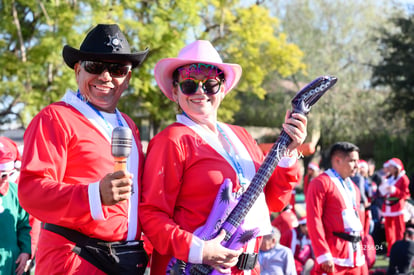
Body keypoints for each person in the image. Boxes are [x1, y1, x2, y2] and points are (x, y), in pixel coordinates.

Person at [139, 40, 308, 274]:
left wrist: (289, 152)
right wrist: (200, 250)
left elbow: (274, 201)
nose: (200, 92)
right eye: (189, 85)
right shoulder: (172, 140)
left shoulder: (243, 137)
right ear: (175, 91)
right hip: (191, 268)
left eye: (209, 85)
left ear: (222, 89)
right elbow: (151, 215)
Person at [18, 24, 149, 275]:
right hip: (74, 259)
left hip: (125, 260)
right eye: (94, 66)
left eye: (117, 69)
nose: (106, 77)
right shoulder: (55, 117)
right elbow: (30, 191)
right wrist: (94, 195)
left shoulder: (129, 125)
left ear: (128, 78)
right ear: (78, 70)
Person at [306, 142, 367, 275]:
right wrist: (323, 254)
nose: (357, 165)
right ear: (337, 160)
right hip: (333, 258)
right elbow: (313, 220)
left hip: (356, 256)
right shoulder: (320, 183)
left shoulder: (354, 188)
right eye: (352, 161)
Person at [0, 137, 31, 275]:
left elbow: (24, 226)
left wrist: (25, 251)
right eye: (1, 175)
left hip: (12, 262)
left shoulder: (15, 191)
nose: (5, 180)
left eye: (9, 174)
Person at [378, 157, 411, 257]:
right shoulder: (389, 178)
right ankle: (390, 252)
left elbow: (406, 195)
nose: (389, 168)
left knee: (399, 231)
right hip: (388, 207)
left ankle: (400, 252)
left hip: (398, 208)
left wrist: (394, 190)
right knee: (388, 232)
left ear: (397, 168)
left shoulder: (403, 178)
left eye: (391, 167)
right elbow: (384, 193)